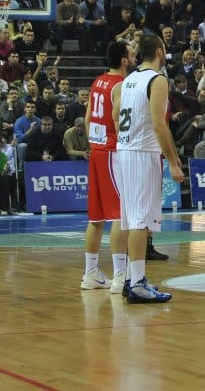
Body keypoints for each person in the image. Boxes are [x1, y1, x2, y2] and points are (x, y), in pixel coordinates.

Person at [112, 34, 185, 304]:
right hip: (142, 153)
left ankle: (131, 279)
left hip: (124, 151)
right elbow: (158, 123)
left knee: (131, 219)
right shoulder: (158, 79)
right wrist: (173, 162)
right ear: (159, 51)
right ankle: (138, 283)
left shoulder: (127, 80)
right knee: (140, 221)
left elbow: (115, 116)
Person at [81, 42, 136, 293]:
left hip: (96, 151)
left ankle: (90, 273)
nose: (134, 57)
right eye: (131, 54)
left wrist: (95, 143)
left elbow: (88, 118)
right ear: (124, 60)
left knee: (96, 217)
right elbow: (117, 120)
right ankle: (120, 276)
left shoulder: (98, 81)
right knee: (119, 215)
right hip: (113, 152)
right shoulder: (121, 85)